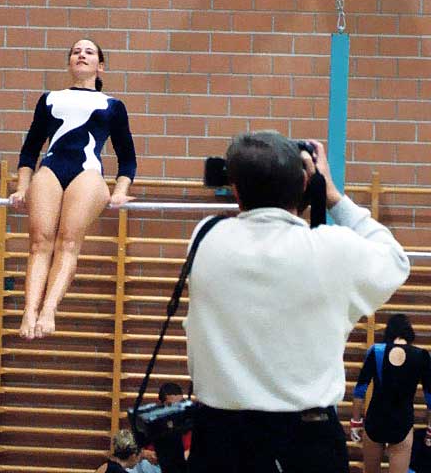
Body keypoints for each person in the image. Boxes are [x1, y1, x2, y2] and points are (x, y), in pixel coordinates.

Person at [184, 131, 411, 472]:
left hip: (219, 439)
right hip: (306, 440)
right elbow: (395, 261)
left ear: (235, 189)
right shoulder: (333, 250)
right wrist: (333, 197)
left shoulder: (204, 238)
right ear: (305, 183)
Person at [9, 38, 137, 340]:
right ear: (69, 62)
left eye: (89, 52)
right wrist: (22, 188)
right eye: (76, 51)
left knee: (68, 242)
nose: (82, 55)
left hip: (87, 174)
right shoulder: (50, 99)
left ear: (100, 66)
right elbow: (30, 150)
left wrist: (120, 190)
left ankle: (49, 309)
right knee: (39, 243)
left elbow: (128, 158)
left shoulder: (112, 105)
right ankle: (29, 310)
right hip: (51, 170)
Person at [351, 313, 431, 473]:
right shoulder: (421, 355)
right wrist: (430, 429)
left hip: (375, 421)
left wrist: (356, 421)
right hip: (402, 423)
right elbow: (430, 397)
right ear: (409, 333)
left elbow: (360, 390)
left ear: (388, 332)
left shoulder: (376, 351)